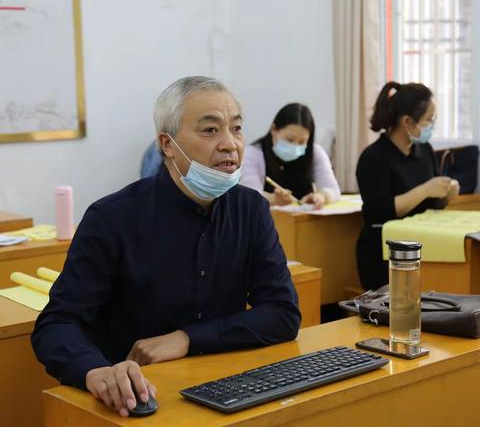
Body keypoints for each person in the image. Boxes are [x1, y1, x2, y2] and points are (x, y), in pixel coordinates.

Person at [32, 76, 301, 417]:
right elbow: (57, 324)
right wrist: (94, 370)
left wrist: (187, 338)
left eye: (236, 129)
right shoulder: (112, 218)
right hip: (138, 399)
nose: (230, 144)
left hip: (226, 391)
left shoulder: (251, 209)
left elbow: (282, 313)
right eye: (210, 130)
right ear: (168, 144)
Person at [356, 81, 460, 290]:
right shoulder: (374, 157)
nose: (432, 125)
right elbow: (381, 211)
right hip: (383, 252)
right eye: (428, 120)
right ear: (407, 122)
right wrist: (424, 190)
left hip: (424, 246)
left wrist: (447, 193)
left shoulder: (424, 151)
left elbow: (432, 205)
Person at [240, 103, 340, 209]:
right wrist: (273, 199)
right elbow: (249, 195)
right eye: (289, 139)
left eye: (302, 142)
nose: (295, 146)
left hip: (303, 219)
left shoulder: (316, 152)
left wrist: (321, 196)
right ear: (274, 130)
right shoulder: (253, 154)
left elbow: (332, 189)